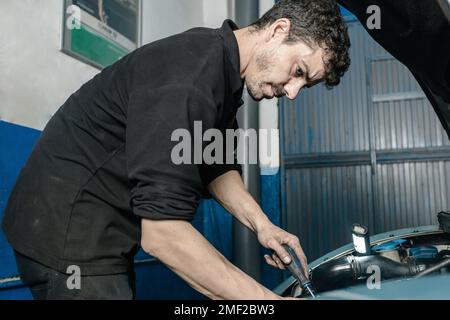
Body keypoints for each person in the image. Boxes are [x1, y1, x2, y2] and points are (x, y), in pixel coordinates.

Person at [2, 0, 350, 300]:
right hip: (65, 236)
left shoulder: (224, 74)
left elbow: (216, 167)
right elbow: (164, 234)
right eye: (298, 72)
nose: (292, 92)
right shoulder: (192, 76)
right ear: (278, 30)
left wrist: (262, 225)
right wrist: (265, 299)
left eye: (306, 84)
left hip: (104, 233)